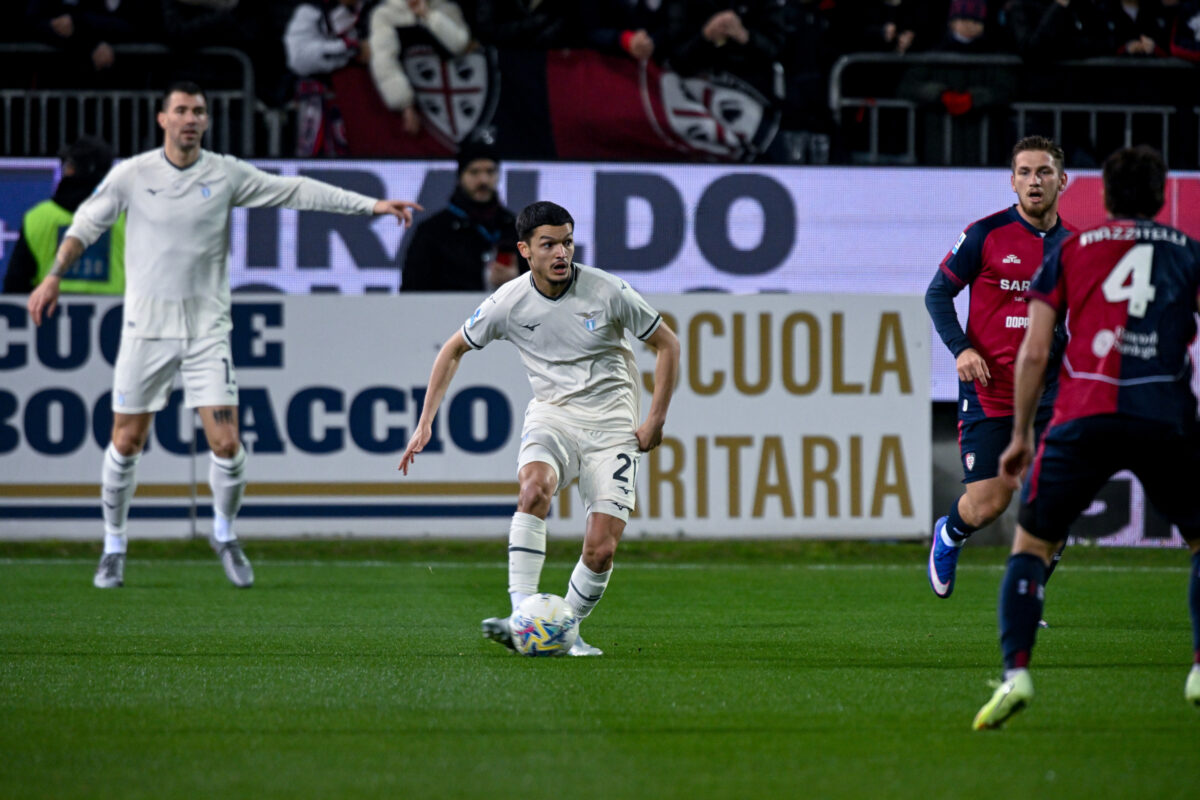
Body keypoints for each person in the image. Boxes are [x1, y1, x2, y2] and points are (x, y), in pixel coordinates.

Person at [26, 81, 421, 590]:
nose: (191, 119)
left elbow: (295, 190)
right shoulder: (132, 174)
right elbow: (86, 223)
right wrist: (55, 273)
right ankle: (114, 545)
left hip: (206, 332)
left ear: (206, 121)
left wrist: (370, 206)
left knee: (227, 442)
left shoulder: (225, 173)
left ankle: (224, 533)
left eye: (199, 111)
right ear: (162, 119)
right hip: (145, 331)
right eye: (182, 110)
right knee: (126, 442)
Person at [974, 145, 1200, 728]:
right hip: (1164, 417)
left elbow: (1036, 351)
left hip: (1082, 416)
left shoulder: (1071, 249)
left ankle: (1016, 673)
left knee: (1030, 547)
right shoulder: (1189, 253)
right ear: (1160, 197)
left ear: (1099, 195)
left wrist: (1021, 432)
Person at [399, 201, 680, 656]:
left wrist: (656, 419)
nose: (560, 253)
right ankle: (520, 617)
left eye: (567, 242)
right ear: (525, 250)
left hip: (613, 427)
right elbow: (453, 349)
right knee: (533, 489)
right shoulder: (509, 301)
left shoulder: (607, 291)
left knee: (601, 550)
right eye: (548, 244)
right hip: (553, 414)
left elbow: (667, 344)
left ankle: (565, 629)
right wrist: (425, 421)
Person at [925, 136, 1074, 600]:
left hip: (1051, 393)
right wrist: (962, 349)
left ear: (1062, 181)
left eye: (1044, 172)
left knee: (1057, 503)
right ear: (1012, 181)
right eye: (1025, 172)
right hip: (990, 390)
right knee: (990, 503)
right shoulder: (985, 234)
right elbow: (937, 294)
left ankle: (1030, 601)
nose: (1035, 181)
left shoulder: (1076, 246)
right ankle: (950, 533)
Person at [400, 136, 526, 292]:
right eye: (474, 172)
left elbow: (544, 288)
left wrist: (518, 282)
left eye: (490, 171)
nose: (483, 180)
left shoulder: (517, 229)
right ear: (460, 177)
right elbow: (412, 291)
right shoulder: (433, 231)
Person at [3, 136, 124, 295]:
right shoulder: (127, 216)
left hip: (51, 317)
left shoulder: (37, 218)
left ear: (70, 169)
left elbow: (15, 286)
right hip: (114, 318)